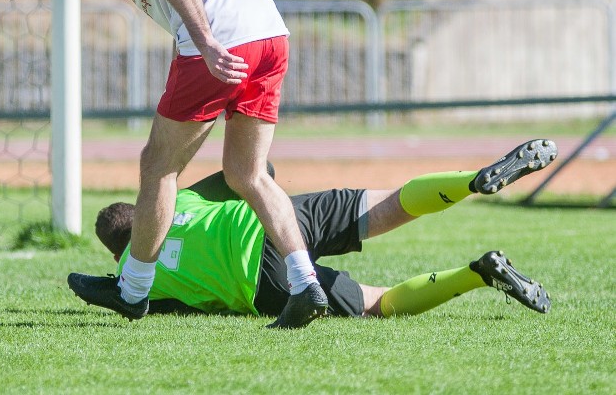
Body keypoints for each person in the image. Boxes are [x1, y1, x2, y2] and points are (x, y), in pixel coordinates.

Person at [2, 0, 326, 327]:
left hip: (222, 41)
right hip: (270, 36)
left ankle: (133, 290)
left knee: (158, 167)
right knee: (248, 175)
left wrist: (206, 43)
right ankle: (305, 285)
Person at [70, 139, 558, 325]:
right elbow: (259, 170)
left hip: (266, 286)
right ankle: (473, 182)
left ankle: (478, 274)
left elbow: (168, 307)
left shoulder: (134, 281)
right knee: (386, 206)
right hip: (273, 225)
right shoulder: (181, 202)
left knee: (377, 303)